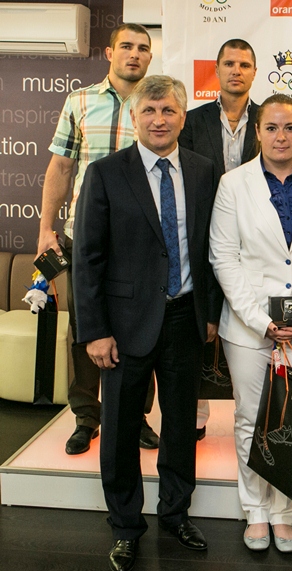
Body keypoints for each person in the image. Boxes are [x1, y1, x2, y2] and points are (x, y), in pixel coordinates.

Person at [73, 75, 222, 571]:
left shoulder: (203, 170)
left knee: (181, 426)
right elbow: (87, 258)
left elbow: (212, 249)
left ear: (183, 116)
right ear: (135, 117)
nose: (159, 120)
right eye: (150, 111)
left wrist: (210, 314)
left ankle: (175, 514)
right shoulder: (105, 173)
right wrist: (94, 331)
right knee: (118, 431)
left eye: (169, 111)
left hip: (185, 319)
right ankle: (125, 527)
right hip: (123, 327)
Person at [209, 94, 292, 553]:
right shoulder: (233, 184)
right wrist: (259, 319)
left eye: (289, 127)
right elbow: (224, 257)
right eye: (271, 127)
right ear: (257, 132)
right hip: (248, 326)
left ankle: (285, 512)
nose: (280, 136)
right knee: (251, 418)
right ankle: (254, 509)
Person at [36, 23, 159, 455]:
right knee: (84, 329)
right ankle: (87, 418)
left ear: (150, 57)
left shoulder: (156, 104)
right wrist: (45, 229)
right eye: (126, 46)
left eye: (143, 48)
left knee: (142, 330)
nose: (134, 54)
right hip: (85, 236)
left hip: (140, 240)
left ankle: (136, 417)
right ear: (109, 52)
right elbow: (61, 167)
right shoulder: (80, 101)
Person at [179, 38, 260, 440]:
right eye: (229, 63)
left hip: (256, 238)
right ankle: (196, 416)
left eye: (244, 64)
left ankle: (259, 414)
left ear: (254, 72)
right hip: (201, 233)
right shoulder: (192, 122)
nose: (236, 71)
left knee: (255, 322)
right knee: (199, 326)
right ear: (217, 70)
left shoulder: (269, 120)